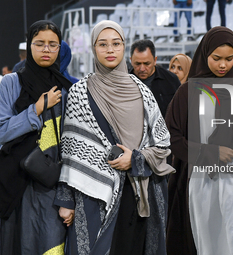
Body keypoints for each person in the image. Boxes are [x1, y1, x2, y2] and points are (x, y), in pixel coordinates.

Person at [55, 20, 175, 255]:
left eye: (116, 44)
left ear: (123, 47)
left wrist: (136, 158)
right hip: (93, 195)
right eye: (103, 44)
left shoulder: (142, 92)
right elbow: (70, 151)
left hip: (138, 193)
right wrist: (66, 201)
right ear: (93, 48)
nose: (110, 50)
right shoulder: (80, 92)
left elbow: (162, 144)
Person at [165, 26, 233, 255]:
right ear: (205, 55)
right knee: (198, 241)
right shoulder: (187, 93)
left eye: (229, 58)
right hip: (194, 183)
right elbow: (171, 138)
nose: (223, 65)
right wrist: (208, 152)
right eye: (216, 59)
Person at [0, 20, 72, 254]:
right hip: (14, 184)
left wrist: (68, 198)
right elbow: (1, 131)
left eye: (53, 44)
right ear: (30, 46)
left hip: (51, 186)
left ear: (60, 49)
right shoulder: (12, 83)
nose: (46, 49)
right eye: (39, 43)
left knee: (51, 245)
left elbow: (72, 146)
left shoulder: (69, 89)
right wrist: (36, 110)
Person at [130, 39, 181, 118]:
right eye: (137, 64)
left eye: (147, 64)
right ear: (131, 61)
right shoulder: (123, 83)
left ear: (155, 60)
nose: (142, 69)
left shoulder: (171, 80)